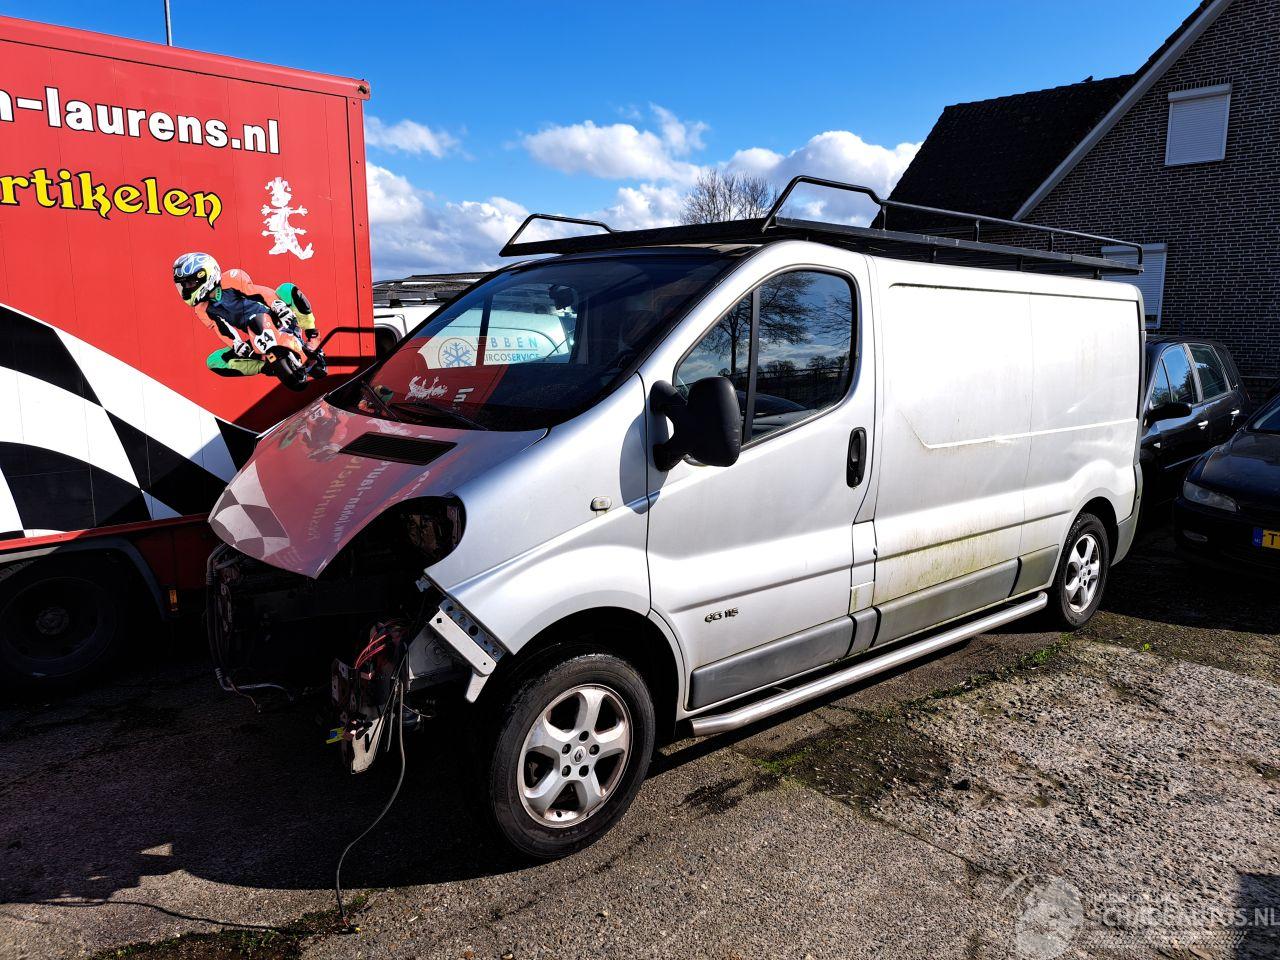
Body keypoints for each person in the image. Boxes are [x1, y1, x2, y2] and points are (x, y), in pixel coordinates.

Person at [172, 252, 326, 379]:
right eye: (184, 285)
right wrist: (237, 345)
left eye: (190, 283)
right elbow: (221, 328)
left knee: (287, 289)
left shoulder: (231, 278)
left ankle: (312, 337)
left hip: (276, 317)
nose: (186, 289)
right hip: (254, 332)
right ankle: (266, 365)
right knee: (213, 361)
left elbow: (258, 292)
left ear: (205, 275)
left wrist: (277, 306)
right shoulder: (201, 308)